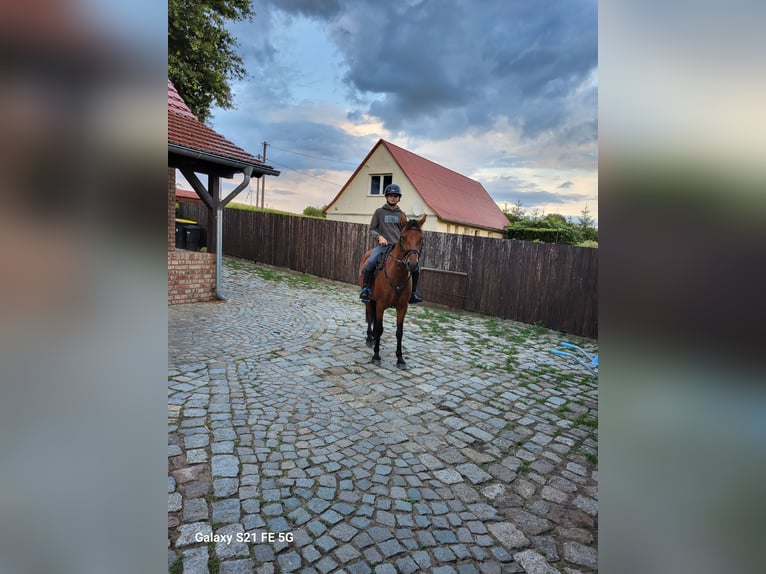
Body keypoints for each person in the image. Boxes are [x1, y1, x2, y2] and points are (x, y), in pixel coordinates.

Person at [360, 183, 423, 304]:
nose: (393, 197)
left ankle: (413, 293)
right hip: (383, 246)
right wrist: (379, 237)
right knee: (371, 262)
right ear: (386, 197)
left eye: (395, 196)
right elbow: (372, 229)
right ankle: (366, 289)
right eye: (390, 195)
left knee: (416, 268)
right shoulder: (379, 212)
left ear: (399, 198)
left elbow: (405, 232)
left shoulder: (402, 214)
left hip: (398, 247)